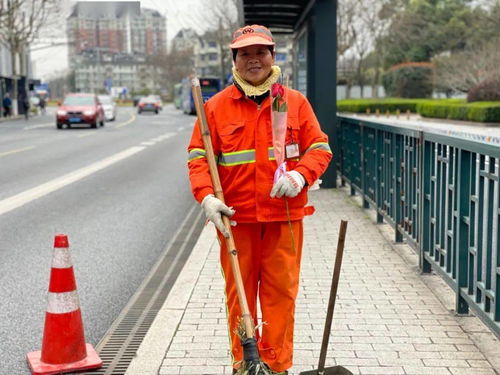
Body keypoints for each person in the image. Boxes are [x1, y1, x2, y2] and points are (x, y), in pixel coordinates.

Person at [187, 25, 332, 374]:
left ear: (273, 56)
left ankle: (276, 366)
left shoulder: (293, 102)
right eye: (245, 53)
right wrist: (207, 198)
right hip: (237, 222)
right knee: (240, 300)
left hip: (284, 218)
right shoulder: (216, 108)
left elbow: (320, 147)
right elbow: (198, 159)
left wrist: (301, 175)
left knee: (281, 297)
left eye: (261, 52)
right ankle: (246, 365)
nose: (254, 59)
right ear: (235, 60)